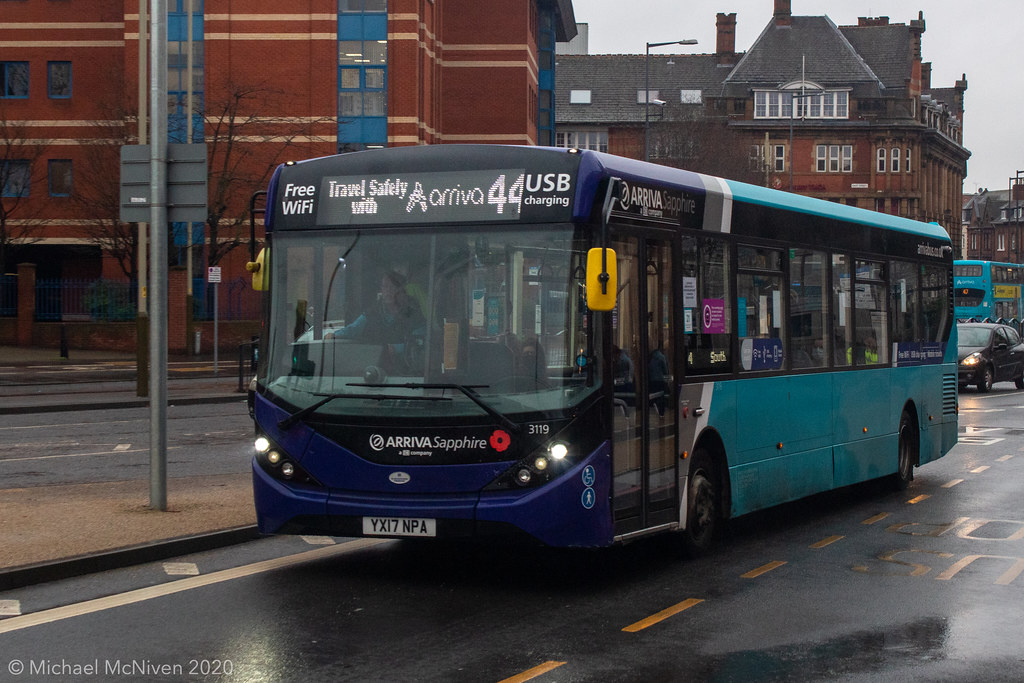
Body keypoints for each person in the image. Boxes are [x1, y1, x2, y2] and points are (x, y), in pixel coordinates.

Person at [327, 270, 425, 344]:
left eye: (393, 287)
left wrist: (398, 348)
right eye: (385, 286)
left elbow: (421, 338)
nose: (388, 291)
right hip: (376, 362)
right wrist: (334, 335)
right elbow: (354, 329)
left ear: (402, 290)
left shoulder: (414, 312)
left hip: (408, 363)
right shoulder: (373, 312)